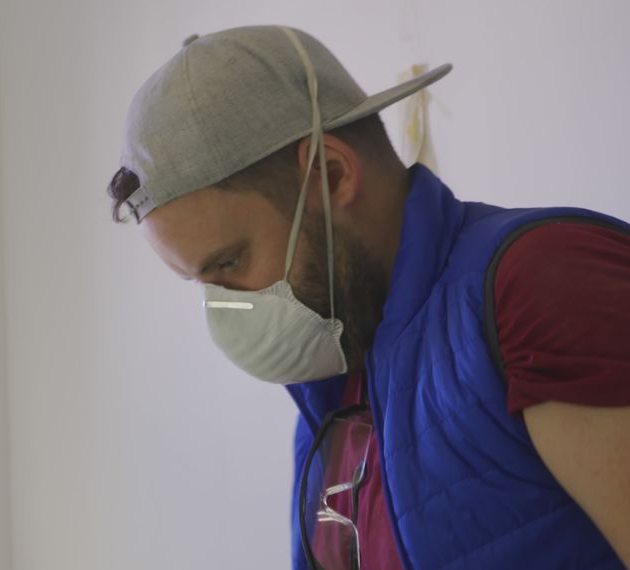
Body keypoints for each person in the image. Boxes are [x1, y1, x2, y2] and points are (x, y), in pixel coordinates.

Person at [106, 25, 630, 570]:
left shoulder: (538, 282)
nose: (226, 309)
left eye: (230, 263)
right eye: (203, 283)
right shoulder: (333, 391)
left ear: (331, 175)